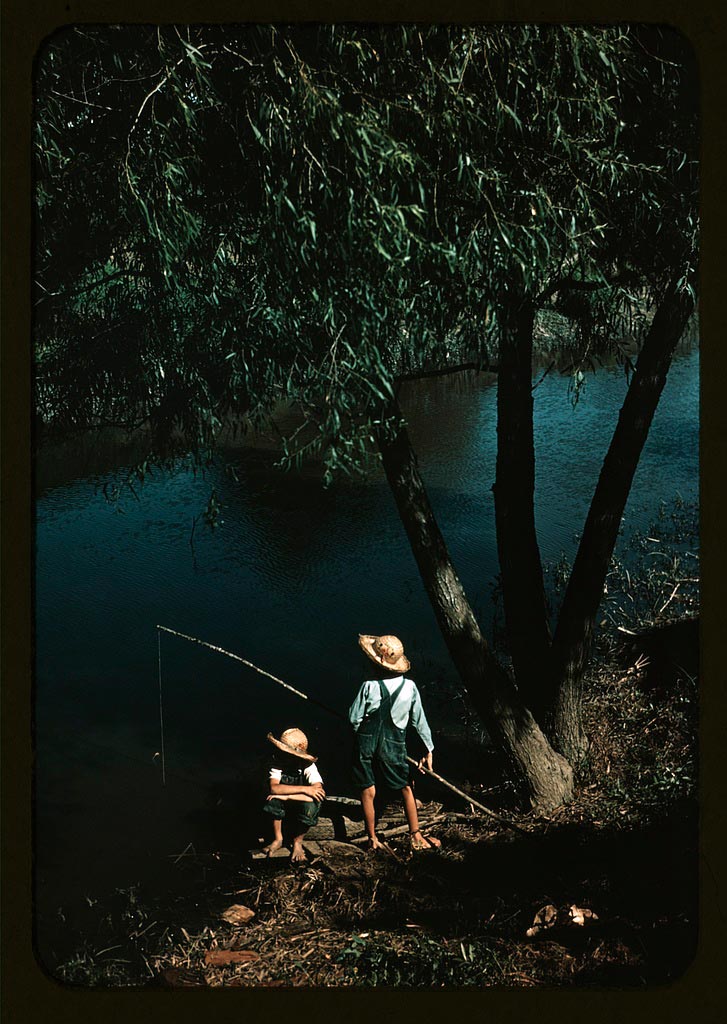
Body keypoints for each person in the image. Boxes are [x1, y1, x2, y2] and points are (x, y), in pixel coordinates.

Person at [349, 633, 441, 852]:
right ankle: (415, 835)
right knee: (406, 788)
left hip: (366, 742)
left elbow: (354, 718)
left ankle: (372, 838)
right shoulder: (409, 687)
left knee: (367, 790)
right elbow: (419, 721)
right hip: (394, 744)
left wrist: (362, 735)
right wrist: (429, 748)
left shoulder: (368, 686)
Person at [261, 728, 326, 862]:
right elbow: (274, 788)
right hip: (287, 804)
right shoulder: (278, 764)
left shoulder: (308, 767)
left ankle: (298, 842)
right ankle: (278, 838)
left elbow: (316, 795)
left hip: (299, 804)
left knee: (311, 806)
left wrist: (286, 796)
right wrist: (305, 789)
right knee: (272, 801)